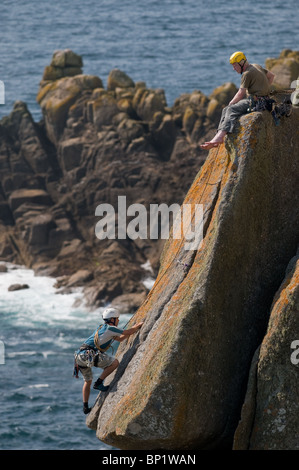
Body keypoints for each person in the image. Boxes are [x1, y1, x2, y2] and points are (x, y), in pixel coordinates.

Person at [74, 307, 143, 414]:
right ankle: (99, 383)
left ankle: (85, 406)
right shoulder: (111, 328)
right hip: (89, 354)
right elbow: (128, 331)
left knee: (87, 381)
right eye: (117, 318)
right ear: (112, 319)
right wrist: (137, 326)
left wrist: (130, 331)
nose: (118, 320)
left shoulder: (102, 327)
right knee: (114, 363)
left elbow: (120, 338)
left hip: (80, 355)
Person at [200, 51, 275, 150]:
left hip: (257, 102)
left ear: (241, 63)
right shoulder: (256, 66)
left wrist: (231, 103)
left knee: (230, 109)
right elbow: (271, 76)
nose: (234, 68)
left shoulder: (247, 73)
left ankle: (219, 137)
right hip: (265, 101)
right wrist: (264, 89)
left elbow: (241, 93)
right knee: (225, 110)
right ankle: (219, 135)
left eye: (235, 65)